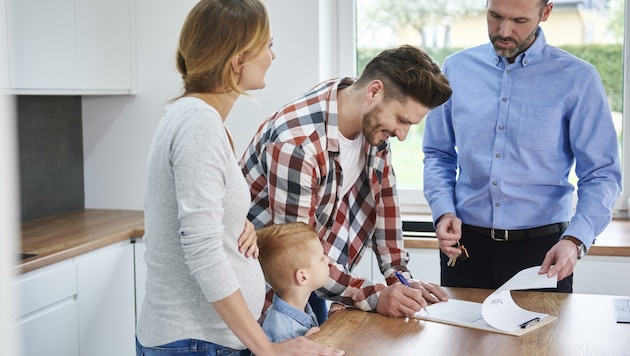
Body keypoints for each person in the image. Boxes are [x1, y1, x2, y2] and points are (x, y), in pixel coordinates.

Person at [135, 1, 344, 355]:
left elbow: (202, 219)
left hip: (202, 339)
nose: (273, 57)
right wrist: (268, 349)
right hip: (196, 341)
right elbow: (201, 248)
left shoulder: (197, 119)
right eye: (269, 45)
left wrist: (237, 223)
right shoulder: (197, 124)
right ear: (237, 61)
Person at [240, 45, 453, 321]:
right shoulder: (298, 144)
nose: (402, 135)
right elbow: (296, 254)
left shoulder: (369, 120)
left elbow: (384, 200)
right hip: (268, 295)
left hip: (315, 281)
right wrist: (374, 295)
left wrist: (400, 278)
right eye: (401, 120)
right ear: (374, 91)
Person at [422, 0, 622, 293]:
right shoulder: (456, 69)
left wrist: (576, 240)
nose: (504, 30)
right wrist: (443, 211)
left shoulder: (578, 78)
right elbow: (438, 154)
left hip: (543, 254)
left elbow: (602, 174)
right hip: (465, 248)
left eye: (519, 21)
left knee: (539, 341)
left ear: (546, 12)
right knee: (459, 340)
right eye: (495, 16)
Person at [257, 222, 331, 342]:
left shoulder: (301, 307)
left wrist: (331, 322)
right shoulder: (283, 334)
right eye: (321, 258)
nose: (327, 260)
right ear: (302, 277)